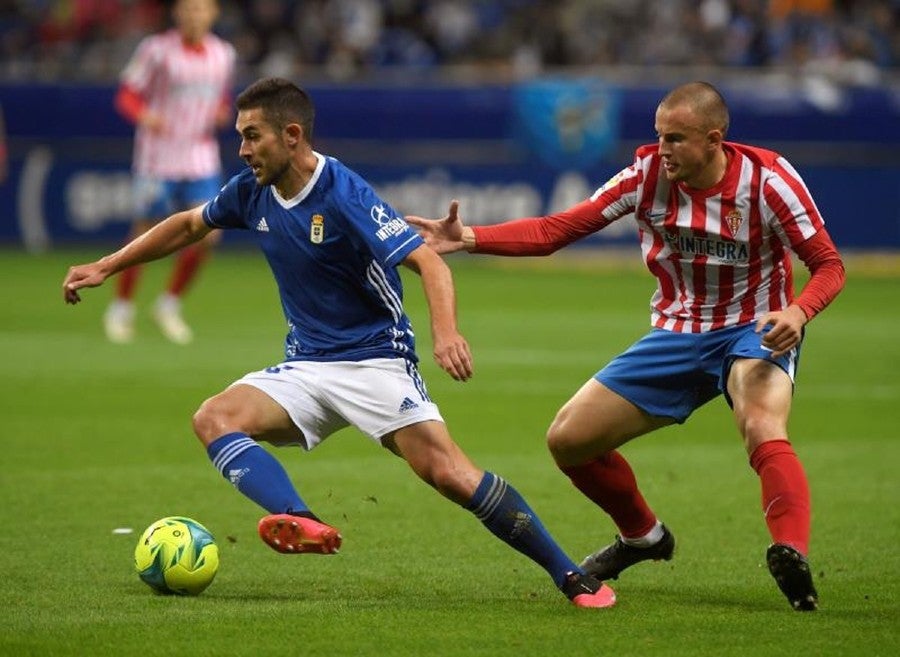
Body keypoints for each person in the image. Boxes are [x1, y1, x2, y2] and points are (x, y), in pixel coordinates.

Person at [62, 77, 616, 609]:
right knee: (214, 417)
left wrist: (446, 334)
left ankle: (570, 575)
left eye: (252, 135)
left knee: (450, 474)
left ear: (292, 136)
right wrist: (106, 267)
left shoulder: (343, 192)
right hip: (306, 365)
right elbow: (187, 226)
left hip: (378, 361)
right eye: (239, 136)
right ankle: (300, 519)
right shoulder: (251, 191)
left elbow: (428, 263)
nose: (242, 149)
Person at [406, 81, 845, 612]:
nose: (663, 150)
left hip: (755, 326)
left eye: (676, 139)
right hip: (677, 332)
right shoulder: (647, 176)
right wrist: (469, 238)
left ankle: (789, 553)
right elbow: (557, 229)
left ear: (714, 139)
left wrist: (799, 312)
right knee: (568, 440)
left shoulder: (770, 181)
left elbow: (828, 264)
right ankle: (643, 535)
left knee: (760, 424)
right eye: (659, 137)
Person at [104, 0, 236, 344]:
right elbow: (127, 95)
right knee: (144, 234)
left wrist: (221, 111)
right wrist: (144, 116)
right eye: (188, 9)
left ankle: (169, 304)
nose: (194, 15)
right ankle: (121, 308)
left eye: (201, 9)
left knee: (210, 233)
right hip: (157, 158)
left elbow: (220, 96)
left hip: (199, 156)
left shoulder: (223, 54)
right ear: (177, 13)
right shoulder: (156, 50)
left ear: (213, 13)